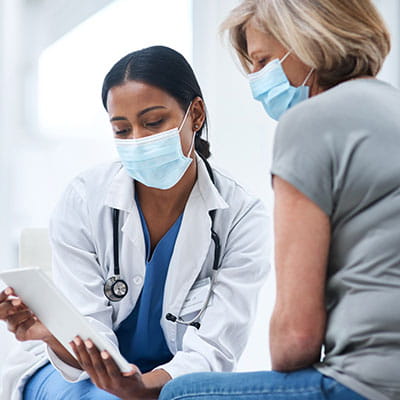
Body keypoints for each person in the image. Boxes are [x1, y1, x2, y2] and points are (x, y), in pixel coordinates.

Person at [159, 1, 400, 400]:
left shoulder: (309, 123)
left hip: (370, 384)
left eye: (261, 61)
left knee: (179, 395)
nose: (255, 81)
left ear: (308, 40)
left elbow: (295, 337)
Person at [0, 45, 271, 400]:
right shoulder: (85, 198)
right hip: (73, 373)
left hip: (172, 379)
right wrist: (54, 335)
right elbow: (87, 334)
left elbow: (215, 349)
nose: (138, 141)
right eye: (122, 130)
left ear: (197, 114)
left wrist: (145, 386)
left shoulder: (241, 216)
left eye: (154, 122)